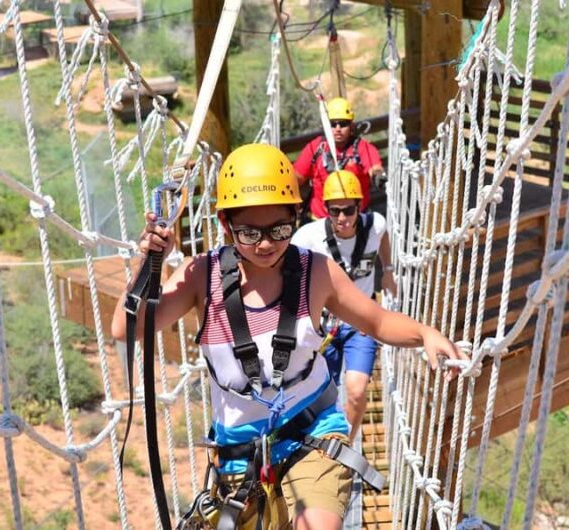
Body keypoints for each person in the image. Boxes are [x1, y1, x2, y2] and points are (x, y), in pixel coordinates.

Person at [111, 144, 463, 530]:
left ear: (295, 217)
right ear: (225, 224)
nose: (265, 244)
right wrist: (149, 262)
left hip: (312, 435)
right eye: (249, 232)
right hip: (239, 456)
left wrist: (425, 333)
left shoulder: (316, 272)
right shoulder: (202, 276)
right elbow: (127, 328)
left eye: (279, 230)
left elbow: (376, 322)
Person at [291, 170, 396, 443]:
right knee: (321, 397)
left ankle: (347, 443)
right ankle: (323, 443)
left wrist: (388, 270)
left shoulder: (375, 225)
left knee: (357, 392)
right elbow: (285, 266)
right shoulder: (308, 237)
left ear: (359, 207)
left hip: (361, 324)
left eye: (348, 210)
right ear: (325, 209)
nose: (342, 218)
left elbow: (383, 235)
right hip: (323, 327)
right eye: (334, 211)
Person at [293, 97, 384, 221]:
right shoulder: (316, 148)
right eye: (333, 124)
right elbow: (297, 177)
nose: (338, 129)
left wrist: (378, 175)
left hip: (354, 221)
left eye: (343, 124)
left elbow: (374, 168)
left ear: (351, 125)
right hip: (320, 221)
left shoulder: (362, 148)